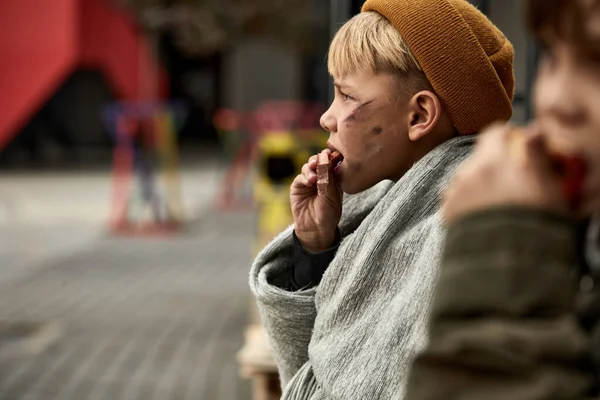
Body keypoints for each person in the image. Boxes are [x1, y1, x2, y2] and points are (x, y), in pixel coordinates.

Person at [249, 0, 515, 398]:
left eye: (345, 95)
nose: (327, 117)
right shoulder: (390, 204)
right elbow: (316, 370)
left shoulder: (460, 238)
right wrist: (314, 246)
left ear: (419, 116)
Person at [405, 0, 600, 398]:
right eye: (550, 56)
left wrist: (500, 245)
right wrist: (311, 252)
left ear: (419, 114)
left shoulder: (490, 219)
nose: (555, 101)